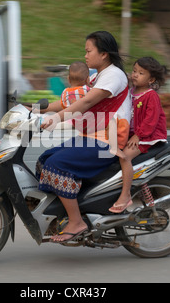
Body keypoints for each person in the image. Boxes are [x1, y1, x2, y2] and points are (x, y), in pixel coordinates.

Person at [38, 31, 131, 243]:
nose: (86, 56)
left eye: (89, 51)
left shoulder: (113, 76)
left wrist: (55, 120)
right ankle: (66, 212)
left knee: (55, 165)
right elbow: (69, 103)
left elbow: (85, 103)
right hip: (92, 135)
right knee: (44, 159)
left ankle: (76, 221)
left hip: (109, 140)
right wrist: (33, 110)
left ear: (104, 54)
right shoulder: (97, 76)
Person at [109, 57, 167, 213]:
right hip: (133, 134)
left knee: (125, 156)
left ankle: (125, 195)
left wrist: (138, 136)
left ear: (151, 79)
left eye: (141, 73)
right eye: (134, 71)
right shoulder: (130, 92)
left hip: (148, 136)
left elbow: (151, 121)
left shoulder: (150, 95)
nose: (135, 75)